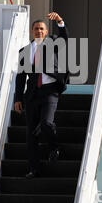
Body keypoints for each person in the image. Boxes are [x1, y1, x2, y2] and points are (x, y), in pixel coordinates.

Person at [14, 12, 69, 179]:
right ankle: (34, 169)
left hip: (50, 90)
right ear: (32, 31)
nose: (39, 31)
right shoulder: (24, 51)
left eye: (42, 29)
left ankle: (54, 147)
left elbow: (65, 37)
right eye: (36, 29)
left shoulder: (52, 43)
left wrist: (60, 21)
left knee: (46, 123)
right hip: (32, 94)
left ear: (46, 32)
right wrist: (18, 98)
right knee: (31, 134)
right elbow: (21, 76)